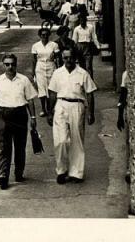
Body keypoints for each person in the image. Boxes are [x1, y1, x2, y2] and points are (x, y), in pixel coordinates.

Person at [0, 52, 38, 189]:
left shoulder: (24, 80)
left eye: (12, 64)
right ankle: (3, 176)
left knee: (20, 147)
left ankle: (19, 172)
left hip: (20, 115)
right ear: (3, 65)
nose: (10, 67)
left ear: (16, 65)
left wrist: (33, 118)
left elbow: (30, 100)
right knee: (3, 147)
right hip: (4, 115)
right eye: (7, 64)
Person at [47, 48, 97, 183]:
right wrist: (49, 112)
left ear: (74, 58)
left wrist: (91, 113)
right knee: (61, 141)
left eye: (70, 57)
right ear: (62, 59)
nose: (68, 60)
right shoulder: (57, 73)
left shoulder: (82, 73)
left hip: (77, 106)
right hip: (61, 105)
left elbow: (90, 93)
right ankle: (61, 171)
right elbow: (52, 93)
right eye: (65, 58)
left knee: (77, 140)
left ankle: (76, 172)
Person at [31, 27, 59, 116]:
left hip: (51, 66)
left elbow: (58, 58)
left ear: (49, 35)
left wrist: (58, 69)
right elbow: (33, 60)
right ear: (40, 35)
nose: (45, 36)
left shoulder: (54, 45)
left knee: (51, 88)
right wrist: (33, 72)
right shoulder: (35, 46)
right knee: (41, 89)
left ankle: (51, 108)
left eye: (47, 35)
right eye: (43, 35)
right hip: (40, 67)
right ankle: (43, 109)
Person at [72, 11, 99, 76]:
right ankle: (83, 82)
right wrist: (73, 49)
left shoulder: (90, 27)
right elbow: (74, 40)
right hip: (80, 47)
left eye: (84, 20)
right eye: (81, 20)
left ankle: (90, 82)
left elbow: (94, 37)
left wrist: (98, 45)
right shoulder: (77, 29)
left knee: (88, 66)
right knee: (82, 67)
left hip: (88, 47)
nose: (82, 22)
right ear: (79, 21)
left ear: (86, 20)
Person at [117, 69, 130, 183]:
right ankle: (129, 169)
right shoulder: (126, 74)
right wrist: (120, 115)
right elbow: (123, 94)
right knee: (129, 141)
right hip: (129, 111)